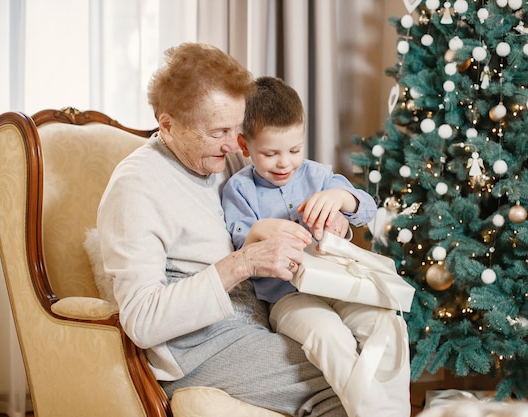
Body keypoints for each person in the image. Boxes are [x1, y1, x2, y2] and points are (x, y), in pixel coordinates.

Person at [97, 43, 348, 417]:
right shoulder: (136, 186)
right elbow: (142, 320)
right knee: (346, 378)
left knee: (360, 349)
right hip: (200, 347)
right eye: (219, 132)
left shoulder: (205, 163)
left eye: (236, 128)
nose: (235, 146)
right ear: (168, 125)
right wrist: (243, 262)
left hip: (250, 322)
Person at [221, 76, 411, 417]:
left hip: (342, 287)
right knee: (329, 334)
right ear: (244, 145)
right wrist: (261, 231)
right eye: (270, 153)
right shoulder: (240, 190)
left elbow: (365, 207)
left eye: (294, 150)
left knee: (386, 325)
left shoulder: (319, 176)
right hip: (288, 299)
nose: (285, 163)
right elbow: (240, 243)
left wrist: (341, 201)